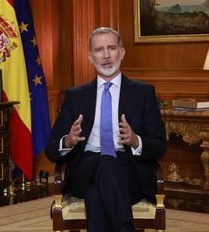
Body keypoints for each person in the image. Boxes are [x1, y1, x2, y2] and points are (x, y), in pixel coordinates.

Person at [45, 27, 166, 232]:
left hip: (129, 172)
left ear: (122, 52)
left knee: (96, 193)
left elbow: (160, 146)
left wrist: (136, 141)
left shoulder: (143, 93)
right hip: (85, 169)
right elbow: (50, 150)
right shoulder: (76, 96)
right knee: (104, 162)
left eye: (111, 47)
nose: (107, 55)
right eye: (99, 50)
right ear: (91, 57)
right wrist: (68, 141)